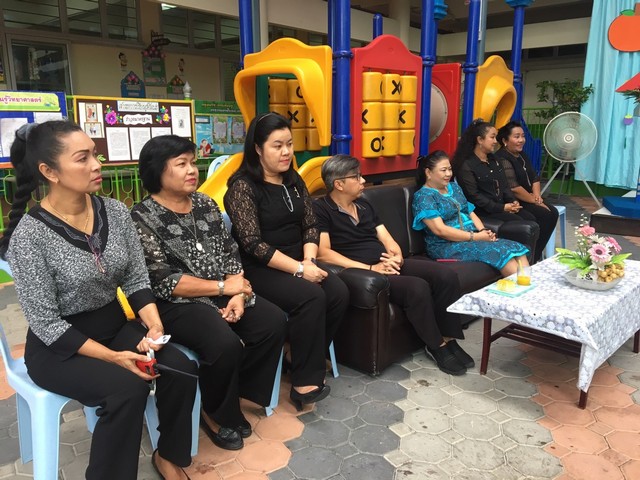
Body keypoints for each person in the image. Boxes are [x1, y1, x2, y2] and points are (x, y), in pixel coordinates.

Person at [0, 121, 196, 480]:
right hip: (59, 347)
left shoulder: (115, 212)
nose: (96, 165)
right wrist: (114, 357)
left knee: (179, 369)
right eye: (82, 158)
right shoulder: (29, 236)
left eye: (95, 155)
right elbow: (46, 324)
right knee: (126, 390)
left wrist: (154, 325)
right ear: (49, 172)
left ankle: (168, 455)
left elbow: (136, 278)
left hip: (114, 327)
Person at [131, 135, 287, 451]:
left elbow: (230, 253)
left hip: (222, 289)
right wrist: (223, 288)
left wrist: (237, 295)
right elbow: (162, 280)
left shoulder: (205, 203)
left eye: (193, 162)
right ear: (157, 171)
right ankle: (216, 412)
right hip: (175, 302)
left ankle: (233, 391)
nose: (192, 170)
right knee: (222, 342)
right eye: (181, 164)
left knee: (272, 322)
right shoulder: (141, 216)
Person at [224, 112, 349, 411]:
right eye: (277, 145)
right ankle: (305, 383)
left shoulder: (294, 181)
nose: (286, 152)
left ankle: (297, 353)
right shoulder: (242, 187)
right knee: (311, 296)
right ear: (257, 148)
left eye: (289, 144)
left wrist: (308, 259)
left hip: (298, 259)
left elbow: (310, 225)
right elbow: (252, 244)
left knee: (339, 292)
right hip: (260, 267)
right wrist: (301, 270)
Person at [313, 154, 473, 376]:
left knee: (445, 276)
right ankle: (437, 346)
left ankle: (449, 338)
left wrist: (396, 254)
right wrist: (371, 269)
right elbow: (324, 253)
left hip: (386, 263)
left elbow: (386, 237)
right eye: (356, 177)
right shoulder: (321, 209)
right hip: (366, 272)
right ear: (339, 184)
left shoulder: (364, 204)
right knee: (417, 288)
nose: (363, 181)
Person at [413, 150, 530, 277]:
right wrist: (476, 237)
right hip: (446, 245)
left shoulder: (454, 187)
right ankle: (522, 287)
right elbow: (440, 230)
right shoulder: (424, 196)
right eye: (443, 170)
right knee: (500, 252)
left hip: (471, 237)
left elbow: (470, 212)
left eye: (450, 169)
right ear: (428, 172)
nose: (448, 174)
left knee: (516, 248)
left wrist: (483, 231)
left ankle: (529, 284)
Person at [452, 118, 541, 260]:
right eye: (492, 137)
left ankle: (531, 259)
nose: (495, 141)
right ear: (480, 140)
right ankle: (516, 259)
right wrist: (501, 207)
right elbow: (473, 196)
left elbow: (504, 185)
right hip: (484, 211)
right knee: (524, 222)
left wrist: (512, 201)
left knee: (531, 217)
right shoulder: (467, 165)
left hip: (501, 206)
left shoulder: (494, 160)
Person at [495, 121, 559, 261]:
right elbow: (514, 188)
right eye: (516, 136)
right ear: (505, 140)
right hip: (514, 200)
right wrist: (536, 202)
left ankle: (536, 253)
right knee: (543, 215)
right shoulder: (502, 158)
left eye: (523, 136)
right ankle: (531, 257)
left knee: (552, 212)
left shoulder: (521, 155)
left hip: (529, 198)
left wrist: (537, 196)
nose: (521, 140)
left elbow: (534, 177)